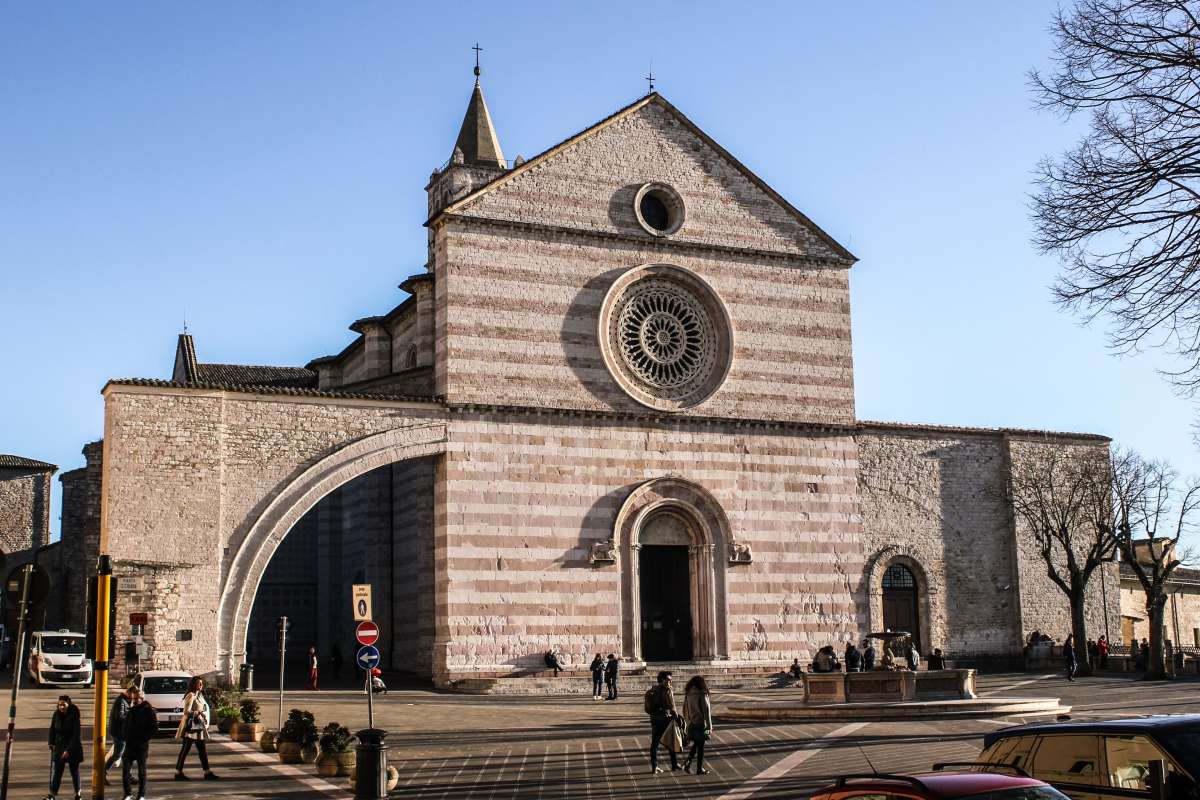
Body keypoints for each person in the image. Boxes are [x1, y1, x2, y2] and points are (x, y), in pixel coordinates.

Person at [174, 676, 218, 780]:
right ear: (194, 684)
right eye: (199, 683)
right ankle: (178, 772)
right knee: (185, 750)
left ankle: (207, 772)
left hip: (198, 727)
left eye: (202, 683)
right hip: (191, 728)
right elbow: (186, 711)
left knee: (202, 750)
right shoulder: (191, 695)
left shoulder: (199, 695)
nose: (201, 685)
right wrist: (197, 712)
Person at [121, 687, 158, 800]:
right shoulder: (131, 710)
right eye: (133, 699)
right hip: (130, 745)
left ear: (141, 699)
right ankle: (128, 794)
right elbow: (126, 725)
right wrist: (125, 736)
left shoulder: (148, 710)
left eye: (136, 699)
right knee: (125, 771)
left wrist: (144, 739)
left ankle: (141, 795)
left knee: (141, 772)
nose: (135, 701)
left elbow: (153, 728)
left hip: (141, 746)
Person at [46, 695, 82, 800]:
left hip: (73, 747)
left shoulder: (74, 715)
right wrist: (51, 742)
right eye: (60, 704)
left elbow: (76, 735)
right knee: (57, 771)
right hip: (59, 745)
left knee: (74, 771)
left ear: (68, 705)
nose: (61, 707)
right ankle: (52, 794)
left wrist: (68, 750)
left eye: (64, 704)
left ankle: (78, 793)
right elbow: (52, 728)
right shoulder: (56, 714)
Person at [646, 670, 680, 774]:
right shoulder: (667, 690)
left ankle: (654, 766)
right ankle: (674, 764)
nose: (670, 682)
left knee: (655, 744)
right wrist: (677, 717)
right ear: (662, 680)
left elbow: (647, 708)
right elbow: (672, 707)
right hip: (665, 719)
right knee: (671, 741)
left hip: (655, 719)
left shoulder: (652, 690)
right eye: (669, 680)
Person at [682, 675, 713, 775]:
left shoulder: (688, 693)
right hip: (700, 723)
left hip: (692, 723)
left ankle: (688, 761)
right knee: (701, 747)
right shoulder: (702, 694)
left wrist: (687, 722)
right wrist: (709, 726)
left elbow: (684, 709)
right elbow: (706, 711)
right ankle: (699, 768)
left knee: (697, 744)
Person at [103, 685, 134, 784]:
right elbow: (120, 716)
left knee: (126, 755)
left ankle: (128, 776)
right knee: (117, 754)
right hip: (118, 732)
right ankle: (103, 773)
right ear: (129, 693)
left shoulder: (123, 700)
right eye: (132, 696)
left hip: (121, 732)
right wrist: (130, 716)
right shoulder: (121, 701)